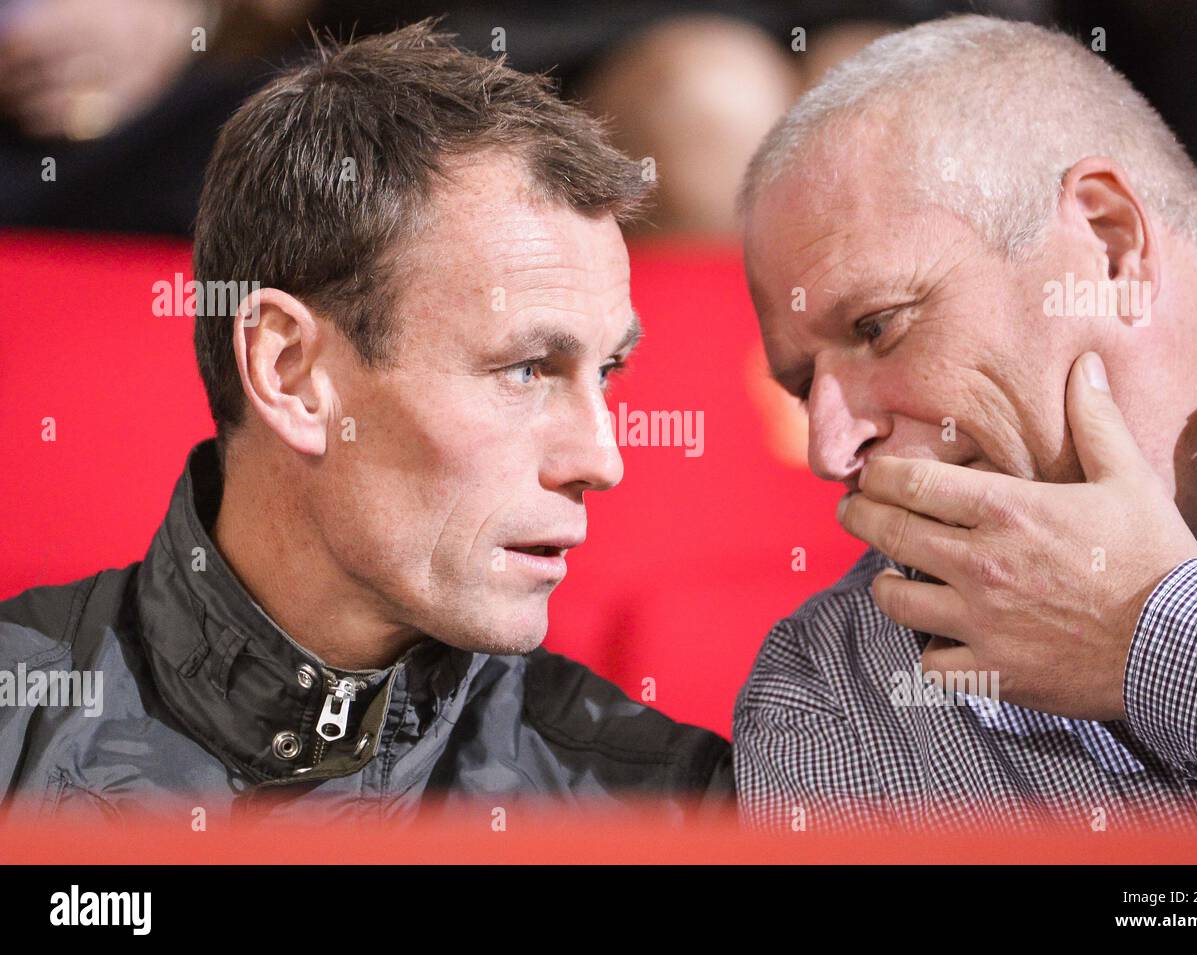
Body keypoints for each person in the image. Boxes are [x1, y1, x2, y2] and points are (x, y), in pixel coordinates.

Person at [0, 20, 731, 825]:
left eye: (609, 371)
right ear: (291, 375)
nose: (603, 458)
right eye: (526, 369)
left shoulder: (669, 804)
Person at [733, 15, 1197, 831]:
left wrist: (1155, 637)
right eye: (799, 386)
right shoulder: (831, 687)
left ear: (1111, 243)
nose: (829, 447)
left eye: (877, 326)